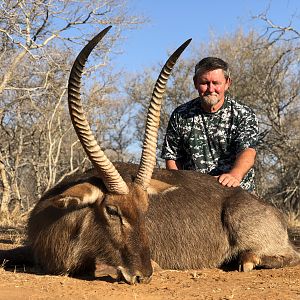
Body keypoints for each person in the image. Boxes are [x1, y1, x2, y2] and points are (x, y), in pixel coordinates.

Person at [161, 57, 258, 192]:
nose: (210, 89)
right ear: (195, 83)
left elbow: (248, 152)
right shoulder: (180, 114)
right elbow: (172, 157)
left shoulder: (243, 114)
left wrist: (234, 176)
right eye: (205, 83)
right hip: (194, 194)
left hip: (235, 193)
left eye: (216, 83)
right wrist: (179, 187)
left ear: (227, 83)